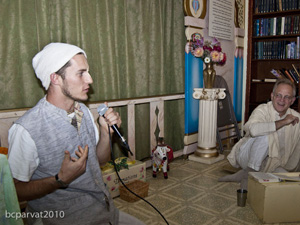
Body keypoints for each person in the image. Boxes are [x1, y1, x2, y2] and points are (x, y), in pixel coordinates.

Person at [8, 42, 145, 225]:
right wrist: (59, 180)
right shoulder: (26, 130)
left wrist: (106, 133)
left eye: (87, 72)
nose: (90, 80)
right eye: (81, 73)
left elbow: (100, 161)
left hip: (104, 210)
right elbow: (14, 190)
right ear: (55, 78)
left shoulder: (84, 112)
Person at [219, 78, 300, 189]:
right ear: (272, 96)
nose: (282, 100)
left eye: (287, 97)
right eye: (278, 95)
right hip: (247, 156)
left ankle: (243, 174)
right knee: (265, 135)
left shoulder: (296, 118)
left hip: (272, 163)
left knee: (292, 181)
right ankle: (248, 176)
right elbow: (253, 130)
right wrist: (283, 122)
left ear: (292, 100)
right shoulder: (262, 109)